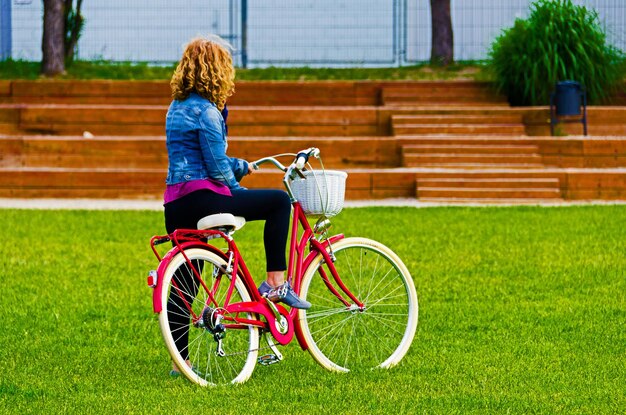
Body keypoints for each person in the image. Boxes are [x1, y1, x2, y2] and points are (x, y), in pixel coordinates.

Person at [163, 35, 310, 375]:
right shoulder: (207, 112)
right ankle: (275, 283)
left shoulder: (176, 108)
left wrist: (240, 163)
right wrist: (238, 181)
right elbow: (217, 171)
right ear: (218, 72)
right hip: (204, 198)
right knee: (277, 201)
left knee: (186, 277)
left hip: (175, 205)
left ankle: (179, 360)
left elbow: (203, 157)